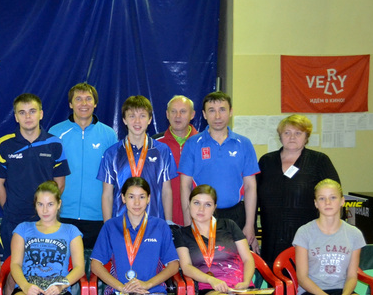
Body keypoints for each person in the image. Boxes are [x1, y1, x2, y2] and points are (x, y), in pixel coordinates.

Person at [0, 93, 70, 259]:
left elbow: (60, 184)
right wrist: (10, 209)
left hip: (45, 219)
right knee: (12, 266)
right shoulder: (4, 144)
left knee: (44, 266)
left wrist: (46, 209)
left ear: (41, 114)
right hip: (13, 220)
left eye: (32, 111)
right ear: (16, 117)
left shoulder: (55, 143)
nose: (28, 116)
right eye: (22, 112)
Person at [178, 92, 259, 249]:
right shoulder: (193, 144)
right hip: (202, 215)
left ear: (231, 112)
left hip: (236, 215)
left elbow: (250, 187)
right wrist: (189, 223)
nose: (217, 116)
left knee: (236, 262)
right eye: (211, 110)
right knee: (204, 261)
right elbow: (185, 186)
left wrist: (250, 225)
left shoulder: (244, 144)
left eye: (222, 109)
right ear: (204, 114)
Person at [257, 114, 339, 267]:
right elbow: (254, 197)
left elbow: (333, 198)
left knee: (303, 278)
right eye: (287, 132)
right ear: (280, 136)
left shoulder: (319, 161)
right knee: (274, 277)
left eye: (298, 133)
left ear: (306, 136)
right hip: (271, 237)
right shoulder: (266, 161)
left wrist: (331, 232)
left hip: (308, 238)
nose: (292, 137)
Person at [48, 83, 116, 249]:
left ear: (95, 103)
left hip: (98, 216)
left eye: (88, 99)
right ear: (70, 104)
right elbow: (47, 174)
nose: (84, 103)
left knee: (96, 265)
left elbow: (114, 177)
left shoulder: (109, 134)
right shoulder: (55, 133)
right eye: (78, 99)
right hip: (63, 214)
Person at [98, 95, 176, 222]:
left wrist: (167, 223)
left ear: (150, 119)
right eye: (132, 116)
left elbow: (166, 191)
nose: (137, 121)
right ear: (124, 120)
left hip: (154, 223)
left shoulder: (162, 151)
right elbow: (107, 195)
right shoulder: (111, 153)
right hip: (121, 224)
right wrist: (108, 227)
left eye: (142, 116)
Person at [155, 95, 199, 226]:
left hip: (198, 217)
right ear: (167, 114)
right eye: (173, 111)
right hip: (163, 218)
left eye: (183, 111)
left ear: (192, 115)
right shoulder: (155, 144)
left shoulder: (203, 143)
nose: (177, 116)